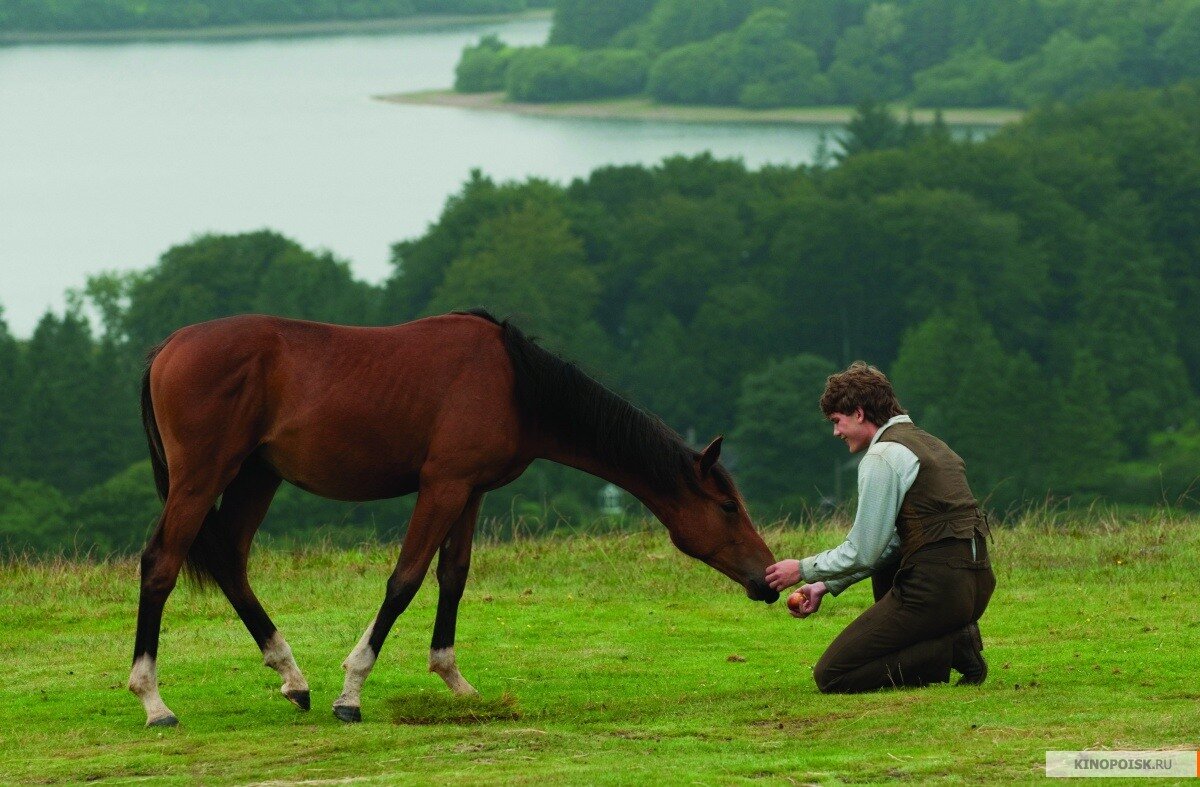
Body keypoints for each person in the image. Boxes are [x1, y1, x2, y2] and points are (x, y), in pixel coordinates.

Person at [765, 361, 995, 693]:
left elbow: (864, 550)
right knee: (885, 577)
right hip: (975, 586)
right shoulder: (931, 444)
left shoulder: (884, 455)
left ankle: (953, 648)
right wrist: (825, 585)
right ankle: (953, 639)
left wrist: (801, 570)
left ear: (859, 413)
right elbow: (893, 545)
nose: (836, 432)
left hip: (936, 591)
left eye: (837, 421)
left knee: (832, 675)